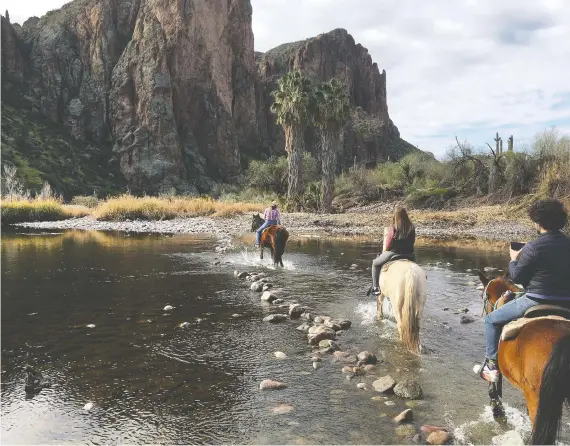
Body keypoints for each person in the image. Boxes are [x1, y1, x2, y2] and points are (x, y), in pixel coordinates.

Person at [479, 198, 570, 383]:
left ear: (538, 222)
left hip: (536, 299)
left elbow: (517, 277)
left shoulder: (533, 247)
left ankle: (491, 366)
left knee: (490, 320)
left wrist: (514, 259)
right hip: (566, 301)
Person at [368, 205, 416, 296]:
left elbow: (388, 244)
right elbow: (413, 241)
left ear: (395, 216)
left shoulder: (393, 228)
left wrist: (385, 250)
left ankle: (375, 287)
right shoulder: (412, 228)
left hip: (394, 253)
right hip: (410, 255)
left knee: (375, 263)